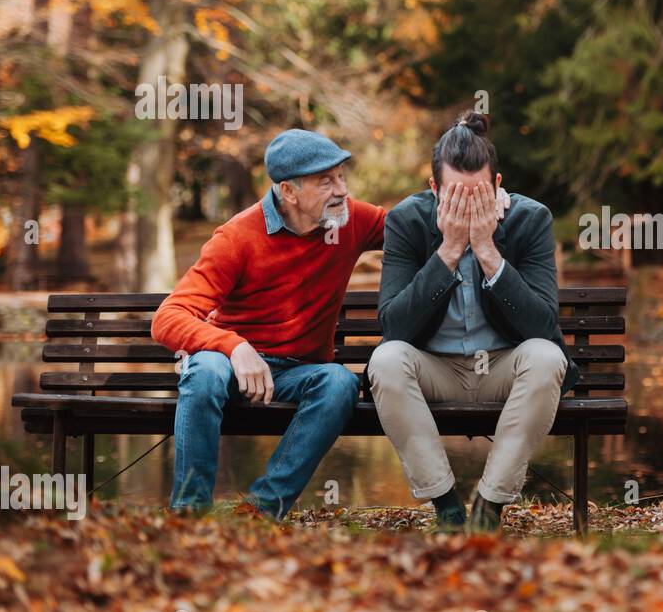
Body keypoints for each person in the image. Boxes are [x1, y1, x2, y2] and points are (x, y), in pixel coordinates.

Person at [151, 129, 385, 518]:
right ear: (288, 192)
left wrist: (484, 197)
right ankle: (189, 516)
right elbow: (167, 318)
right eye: (325, 181)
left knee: (341, 382)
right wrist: (234, 346)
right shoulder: (237, 237)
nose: (341, 190)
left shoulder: (350, 220)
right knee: (205, 369)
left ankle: (261, 512)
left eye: (342, 176)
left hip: (299, 373)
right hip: (232, 370)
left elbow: (416, 225)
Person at [368, 110, 578, 532]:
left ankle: (488, 506)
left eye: (478, 194)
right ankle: (446, 506)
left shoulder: (529, 219)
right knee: (386, 360)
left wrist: (487, 252)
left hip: (503, 366)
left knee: (546, 358)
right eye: (455, 195)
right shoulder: (407, 221)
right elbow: (395, 328)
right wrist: (447, 252)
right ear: (434, 189)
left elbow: (543, 327)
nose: (467, 205)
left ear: (497, 185)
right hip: (435, 369)